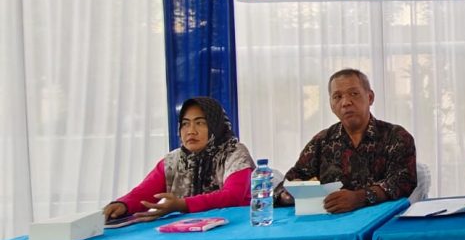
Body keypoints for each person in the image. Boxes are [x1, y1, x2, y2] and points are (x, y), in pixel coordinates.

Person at [280, 68, 416, 213]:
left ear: (370, 97)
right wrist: (288, 195)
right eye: (337, 97)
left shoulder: (396, 136)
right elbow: (290, 182)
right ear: (332, 105)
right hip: (332, 224)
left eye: (354, 94)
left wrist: (360, 197)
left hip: (382, 223)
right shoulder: (321, 141)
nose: (345, 102)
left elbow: (403, 182)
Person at [103, 97, 255, 221]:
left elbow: (233, 196)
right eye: (185, 124)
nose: (191, 131)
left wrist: (182, 204)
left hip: (235, 227)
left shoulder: (234, 153)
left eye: (200, 123)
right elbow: (144, 192)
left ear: (216, 126)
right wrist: (123, 205)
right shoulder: (174, 160)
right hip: (190, 231)